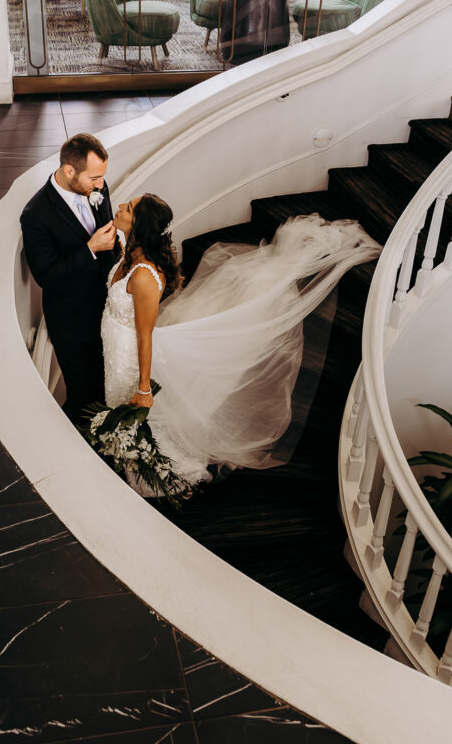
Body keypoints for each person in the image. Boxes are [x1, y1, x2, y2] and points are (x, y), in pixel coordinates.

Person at [102, 193, 381, 489]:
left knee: (138, 409)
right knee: (121, 404)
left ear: (140, 224)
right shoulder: (130, 251)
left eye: (129, 207)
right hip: (118, 349)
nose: (120, 206)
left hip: (131, 353)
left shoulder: (144, 276)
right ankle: (129, 454)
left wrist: (144, 387)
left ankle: (156, 474)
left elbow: (145, 335)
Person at [20, 133, 118, 424]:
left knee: (109, 383)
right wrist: (89, 249)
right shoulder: (36, 215)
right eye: (94, 177)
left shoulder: (97, 190)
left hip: (109, 310)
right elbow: (47, 276)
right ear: (69, 171)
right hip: (72, 322)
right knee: (83, 395)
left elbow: (109, 242)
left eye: (102, 177)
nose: (100, 184)